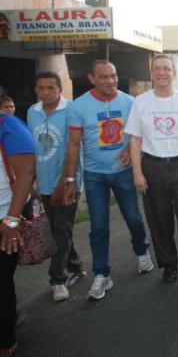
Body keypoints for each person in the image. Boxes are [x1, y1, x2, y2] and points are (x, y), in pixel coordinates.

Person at [63, 60, 153, 301]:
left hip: (123, 172)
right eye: (103, 77)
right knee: (99, 226)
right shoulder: (78, 106)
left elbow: (141, 134)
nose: (110, 81)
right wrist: (70, 178)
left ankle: (142, 250)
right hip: (94, 175)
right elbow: (73, 144)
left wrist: (132, 152)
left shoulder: (129, 102)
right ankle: (102, 274)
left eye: (113, 76)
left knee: (133, 218)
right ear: (92, 78)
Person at [126, 54, 178, 283]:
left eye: (166, 69)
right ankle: (169, 264)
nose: (162, 73)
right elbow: (134, 140)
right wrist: (137, 172)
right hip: (153, 166)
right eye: (157, 69)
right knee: (159, 220)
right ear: (152, 73)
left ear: (174, 73)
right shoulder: (141, 102)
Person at [27, 72, 86, 302]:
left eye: (51, 88)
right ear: (36, 90)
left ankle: (58, 279)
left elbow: (73, 147)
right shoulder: (33, 112)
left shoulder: (71, 111)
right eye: (41, 88)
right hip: (44, 182)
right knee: (56, 230)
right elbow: (33, 147)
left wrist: (66, 181)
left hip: (68, 182)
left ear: (60, 90)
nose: (46, 92)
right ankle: (76, 265)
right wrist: (33, 181)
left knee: (62, 229)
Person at [0, 98, 35, 357]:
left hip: (5, 218)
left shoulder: (8, 126)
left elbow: (26, 173)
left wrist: (11, 221)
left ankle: (5, 340)